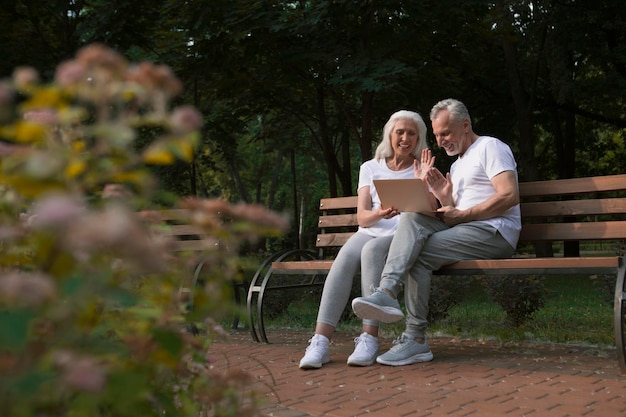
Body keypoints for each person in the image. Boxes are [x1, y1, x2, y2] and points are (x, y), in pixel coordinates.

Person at [351, 98, 521, 366]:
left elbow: (510, 196)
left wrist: (464, 214)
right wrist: (443, 196)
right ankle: (386, 292)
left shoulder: (491, 147)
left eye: (446, 133)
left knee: (417, 254)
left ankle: (415, 338)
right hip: (466, 228)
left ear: (465, 126)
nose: (440, 141)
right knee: (412, 212)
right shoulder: (457, 164)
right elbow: (453, 212)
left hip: (494, 232)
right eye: (437, 135)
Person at [299, 110, 436, 369]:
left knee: (371, 251)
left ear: (419, 138)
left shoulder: (422, 167)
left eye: (411, 133)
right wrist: (380, 213)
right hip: (371, 229)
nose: (405, 138)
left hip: (399, 236)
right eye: (400, 132)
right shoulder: (370, 167)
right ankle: (320, 341)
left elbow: (432, 212)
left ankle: (368, 338)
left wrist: (421, 181)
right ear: (390, 135)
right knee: (343, 259)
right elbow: (362, 218)